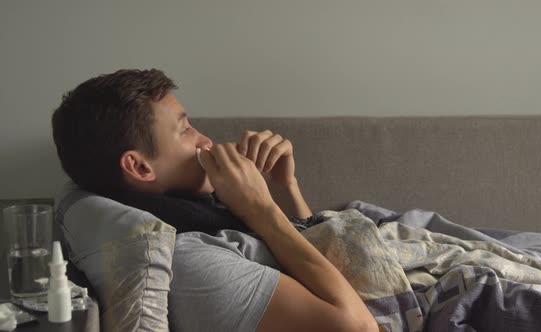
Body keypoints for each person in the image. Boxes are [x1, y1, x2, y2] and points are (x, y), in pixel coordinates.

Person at [51, 69, 378, 331]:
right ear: (139, 166)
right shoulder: (190, 262)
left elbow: (317, 258)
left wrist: (284, 186)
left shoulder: (202, 208)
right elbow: (358, 327)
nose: (205, 140)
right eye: (185, 131)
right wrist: (262, 210)